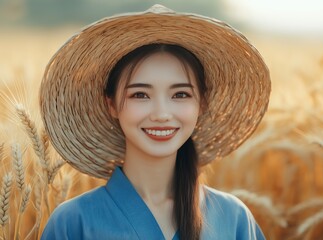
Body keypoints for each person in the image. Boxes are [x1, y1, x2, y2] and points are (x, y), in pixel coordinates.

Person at [40, 4, 271, 240]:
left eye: (180, 94)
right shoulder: (73, 223)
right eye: (140, 95)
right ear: (111, 105)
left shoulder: (233, 219)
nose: (161, 114)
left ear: (201, 104)